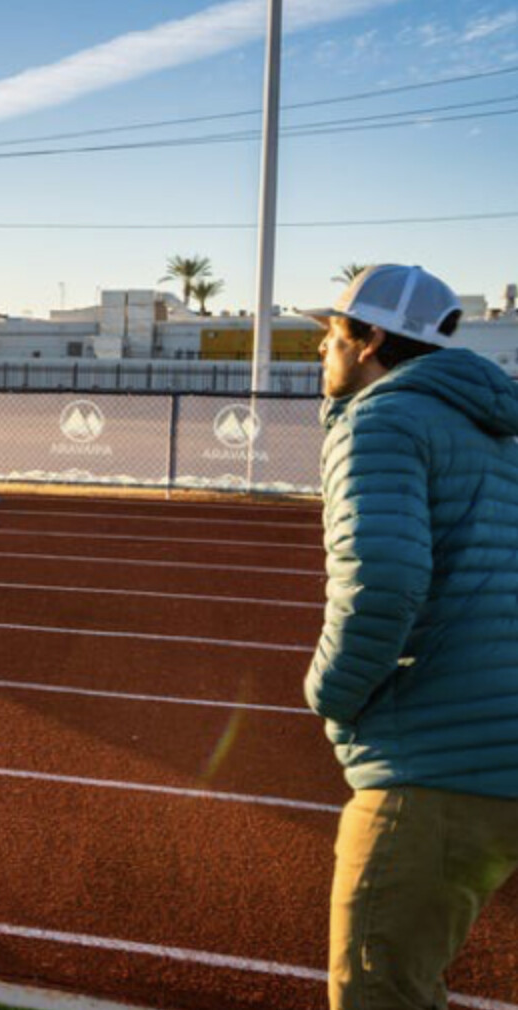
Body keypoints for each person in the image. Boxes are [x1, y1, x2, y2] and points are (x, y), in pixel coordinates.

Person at [305, 264, 518, 1008]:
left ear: (369, 342)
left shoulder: (382, 419)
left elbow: (383, 583)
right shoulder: (497, 432)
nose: (322, 353)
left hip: (439, 763)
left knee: (378, 990)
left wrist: (329, 695)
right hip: (498, 748)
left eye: (332, 335)